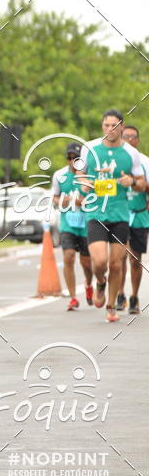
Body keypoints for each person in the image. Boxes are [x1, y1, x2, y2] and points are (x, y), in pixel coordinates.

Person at [79, 109, 146, 322]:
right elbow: (79, 173)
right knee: (100, 261)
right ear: (102, 126)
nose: (110, 129)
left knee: (116, 264)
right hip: (96, 213)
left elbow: (142, 183)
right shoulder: (89, 148)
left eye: (114, 125)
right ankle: (100, 282)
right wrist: (84, 183)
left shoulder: (131, 154)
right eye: (106, 125)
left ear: (121, 127)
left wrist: (132, 182)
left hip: (120, 214)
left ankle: (111, 306)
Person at [51, 141, 93, 310]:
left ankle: (89, 284)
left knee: (87, 263)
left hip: (86, 224)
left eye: (76, 158)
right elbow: (55, 198)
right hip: (67, 223)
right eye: (69, 158)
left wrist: (85, 202)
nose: (72, 161)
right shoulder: (59, 175)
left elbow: (97, 199)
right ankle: (73, 297)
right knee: (68, 256)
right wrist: (65, 200)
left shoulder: (88, 176)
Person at [117, 125, 149, 314]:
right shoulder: (115, 160)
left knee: (135, 259)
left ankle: (134, 296)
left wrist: (137, 183)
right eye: (126, 136)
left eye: (133, 137)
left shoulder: (145, 162)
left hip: (139, 214)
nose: (129, 139)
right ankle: (120, 293)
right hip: (119, 214)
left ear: (137, 140)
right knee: (119, 256)